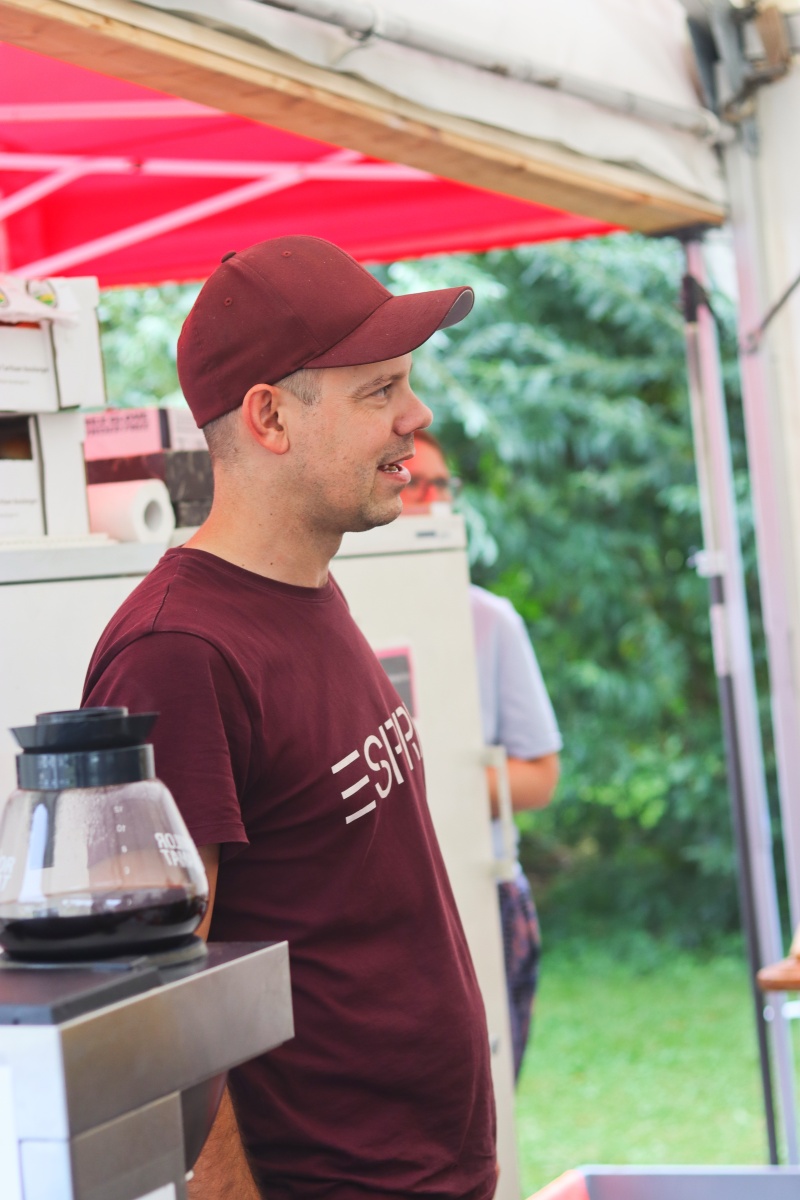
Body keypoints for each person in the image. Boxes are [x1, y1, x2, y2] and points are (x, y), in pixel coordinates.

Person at [81, 237, 496, 1200]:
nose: (417, 415)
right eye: (379, 389)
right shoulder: (178, 653)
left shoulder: (304, 588)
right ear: (269, 416)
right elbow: (151, 999)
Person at [401, 430, 561, 1080]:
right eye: (412, 483)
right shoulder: (326, 613)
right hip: (389, 902)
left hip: (482, 890)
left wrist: (437, 784)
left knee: (491, 1096)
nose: (432, 499)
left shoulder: (491, 620)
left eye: (442, 486)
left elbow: (541, 776)